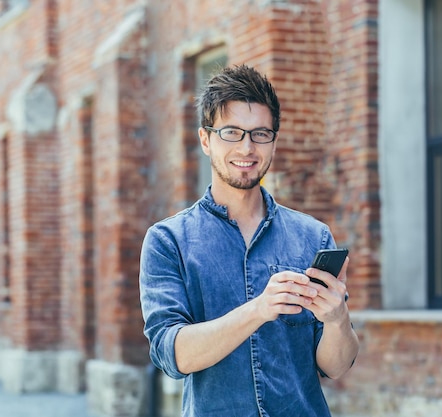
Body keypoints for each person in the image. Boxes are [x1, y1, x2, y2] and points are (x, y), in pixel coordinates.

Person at [139, 64, 359, 417]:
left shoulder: (312, 236)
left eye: (260, 134)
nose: (247, 147)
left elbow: (336, 366)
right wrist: (259, 309)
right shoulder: (168, 241)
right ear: (205, 140)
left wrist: (337, 319)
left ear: (273, 141)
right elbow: (173, 355)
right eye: (231, 132)